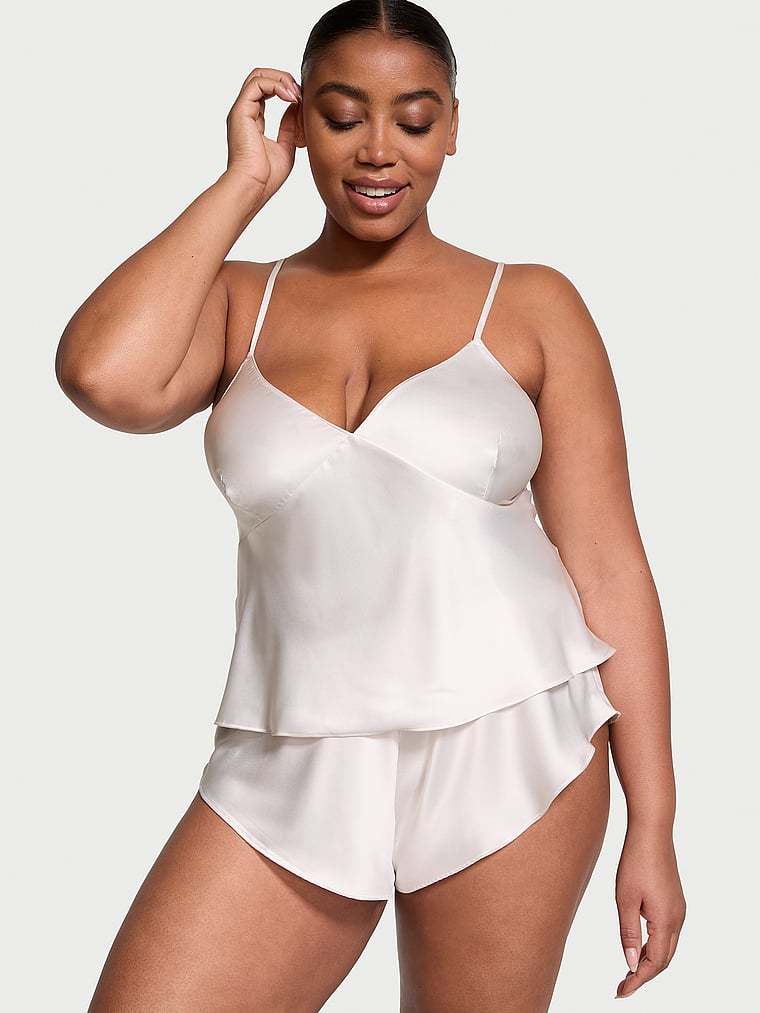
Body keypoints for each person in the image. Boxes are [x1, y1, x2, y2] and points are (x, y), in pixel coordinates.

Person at [57, 1, 686, 1009]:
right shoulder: (238, 301)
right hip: (290, 747)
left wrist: (652, 822)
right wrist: (242, 183)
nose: (379, 149)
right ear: (301, 122)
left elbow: (609, 568)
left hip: (511, 737)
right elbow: (102, 377)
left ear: (453, 126)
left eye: (415, 119)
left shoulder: (533, 305)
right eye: (344, 116)